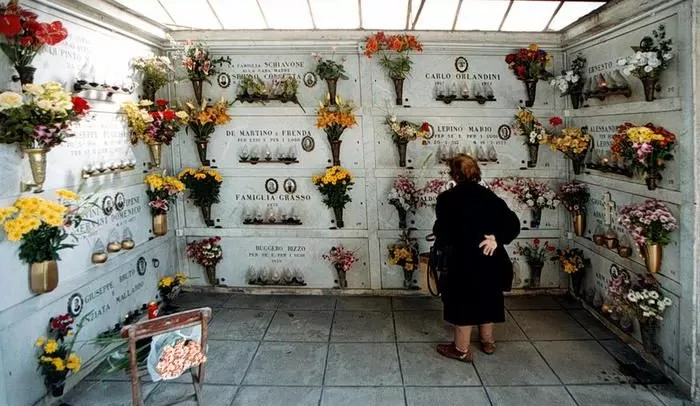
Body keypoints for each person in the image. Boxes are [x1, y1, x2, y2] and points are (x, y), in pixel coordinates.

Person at [433, 154, 521, 362]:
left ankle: (461, 349)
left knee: (462, 300)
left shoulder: (447, 199)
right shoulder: (490, 197)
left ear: (454, 175)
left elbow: (443, 230)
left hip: (462, 260)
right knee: (487, 296)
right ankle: (487, 342)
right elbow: (513, 224)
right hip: (490, 258)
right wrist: (497, 239)